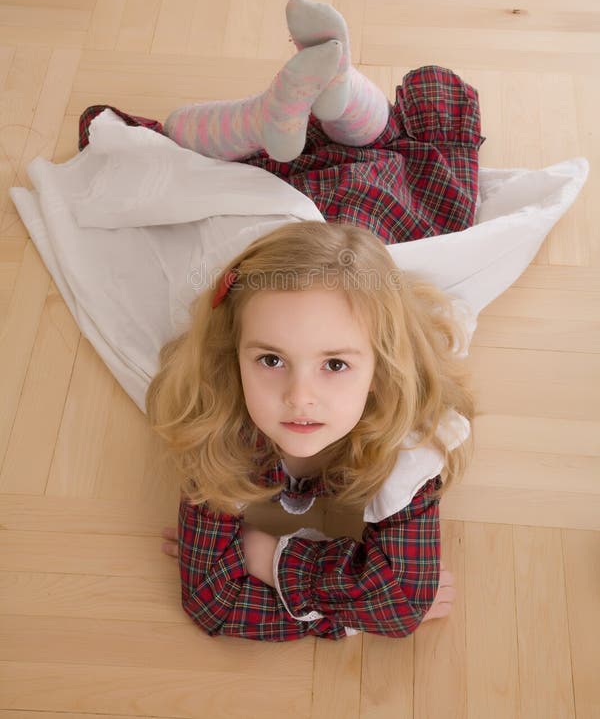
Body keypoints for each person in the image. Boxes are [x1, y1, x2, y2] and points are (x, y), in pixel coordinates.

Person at [147, 220, 475, 641]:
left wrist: (263, 555)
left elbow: (402, 605)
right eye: (271, 360)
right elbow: (213, 603)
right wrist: (355, 610)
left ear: (381, 368)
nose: (299, 397)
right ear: (235, 358)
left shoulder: (409, 445)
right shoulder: (218, 415)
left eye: (335, 365)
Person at [78, 0, 485, 247]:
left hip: (317, 199)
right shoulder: (436, 202)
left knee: (182, 138)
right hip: (348, 211)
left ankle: (283, 108)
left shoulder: (436, 180)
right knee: (385, 140)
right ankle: (333, 89)